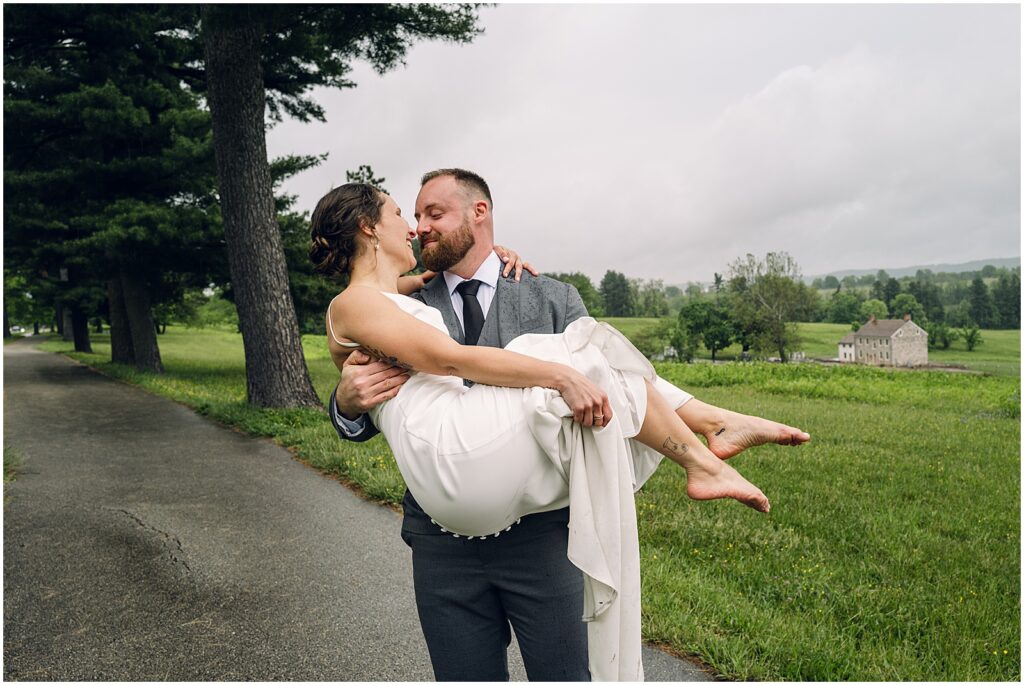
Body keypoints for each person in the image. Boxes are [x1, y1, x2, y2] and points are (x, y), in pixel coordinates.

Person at [311, 173, 810, 680]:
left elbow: (610, 390)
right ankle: (707, 430)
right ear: (367, 229)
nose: (418, 228)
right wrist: (346, 405)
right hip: (445, 539)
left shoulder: (545, 294)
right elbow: (437, 362)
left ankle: (708, 429)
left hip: (542, 539)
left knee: (567, 675)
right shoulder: (387, 301)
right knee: (583, 358)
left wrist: (498, 262)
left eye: (432, 214)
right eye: (408, 215)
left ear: (479, 212)